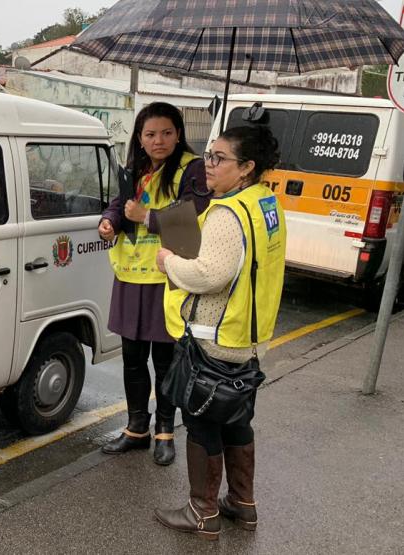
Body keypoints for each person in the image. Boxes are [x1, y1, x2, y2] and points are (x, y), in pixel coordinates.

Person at [153, 125, 286, 540]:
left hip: (214, 335)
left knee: (201, 421)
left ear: (247, 167)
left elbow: (210, 274)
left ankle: (202, 511)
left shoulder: (229, 214)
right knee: (237, 417)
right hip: (246, 336)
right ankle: (242, 505)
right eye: (209, 155)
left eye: (219, 158)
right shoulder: (265, 202)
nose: (208, 165)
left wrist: (168, 261)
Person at [98, 102, 209, 465]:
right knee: (132, 357)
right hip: (131, 275)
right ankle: (136, 428)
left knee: (164, 359)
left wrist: (147, 216)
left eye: (166, 133)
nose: (158, 140)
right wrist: (110, 221)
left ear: (178, 134)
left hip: (168, 277)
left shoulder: (193, 170)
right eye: (150, 134)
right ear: (140, 139)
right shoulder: (135, 168)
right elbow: (120, 203)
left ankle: (164, 431)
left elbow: (196, 216)